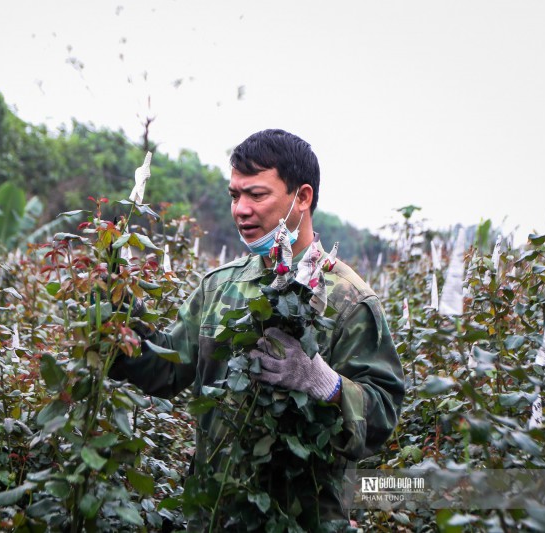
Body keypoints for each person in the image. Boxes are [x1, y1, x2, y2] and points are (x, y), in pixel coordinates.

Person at [111, 129, 405, 530]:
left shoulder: (349, 301)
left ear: (302, 197)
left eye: (257, 195)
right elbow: (166, 369)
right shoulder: (220, 287)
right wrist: (118, 317)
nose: (241, 210)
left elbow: (382, 416)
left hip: (299, 520)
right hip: (214, 515)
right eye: (235, 196)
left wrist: (326, 383)